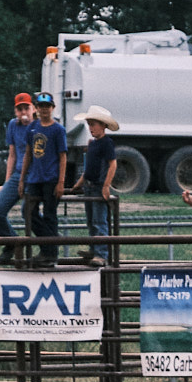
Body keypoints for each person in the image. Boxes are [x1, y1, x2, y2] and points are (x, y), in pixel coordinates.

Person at [18, 92, 69, 264]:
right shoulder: (32, 128)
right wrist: (22, 179)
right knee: (28, 212)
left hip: (51, 178)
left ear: (52, 108)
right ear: (37, 109)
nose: (44, 110)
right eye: (41, 106)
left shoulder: (58, 130)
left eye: (47, 106)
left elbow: (63, 156)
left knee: (49, 214)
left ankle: (50, 254)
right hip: (34, 178)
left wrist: (61, 182)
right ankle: (51, 243)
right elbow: (28, 154)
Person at [70, 105, 121, 264]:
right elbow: (89, 169)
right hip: (89, 186)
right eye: (89, 124)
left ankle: (101, 254)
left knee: (99, 221)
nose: (91, 128)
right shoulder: (92, 144)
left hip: (99, 187)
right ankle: (93, 249)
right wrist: (79, 184)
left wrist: (106, 186)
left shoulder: (107, 143)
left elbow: (113, 164)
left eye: (93, 124)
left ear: (103, 125)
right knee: (91, 221)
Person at [0, 93, 36, 260]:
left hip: (35, 175)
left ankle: (48, 248)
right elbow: (12, 155)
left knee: (28, 212)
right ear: (15, 111)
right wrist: (7, 182)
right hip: (17, 174)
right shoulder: (13, 125)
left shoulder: (39, 126)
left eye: (26, 108)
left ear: (33, 108)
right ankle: (12, 241)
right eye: (19, 109)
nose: (23, 112)